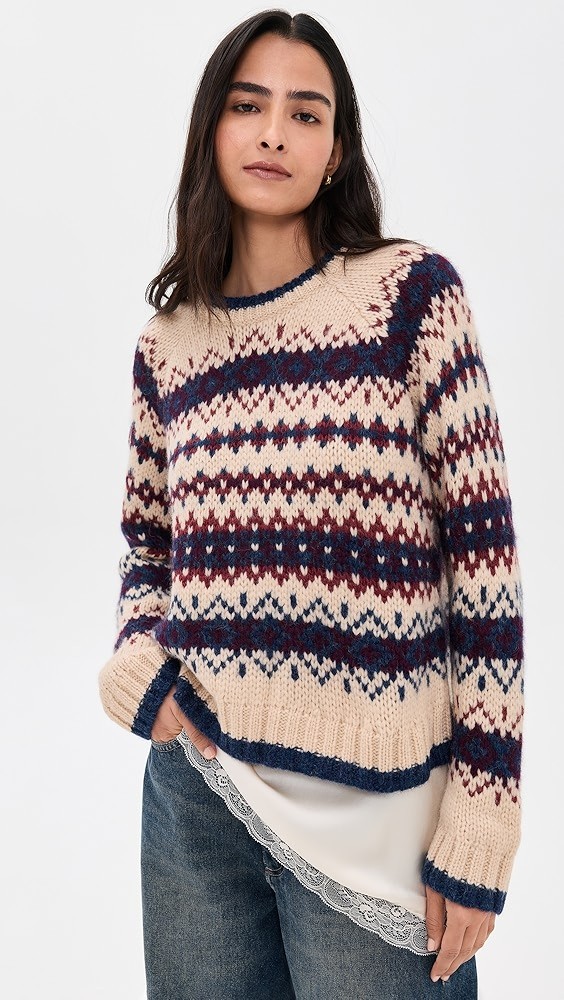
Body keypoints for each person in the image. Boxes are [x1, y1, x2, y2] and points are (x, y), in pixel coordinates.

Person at [98, 9, 524, 999]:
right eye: (248, 106)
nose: (274, 133)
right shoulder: (169, 343)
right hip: (199, 800)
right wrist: (137, 658)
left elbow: (485, 573)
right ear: (212, 129)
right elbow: (148, 544)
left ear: (336, 152)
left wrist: (485, 815)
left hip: (379, 817)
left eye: (306, 113)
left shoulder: (411, 298)